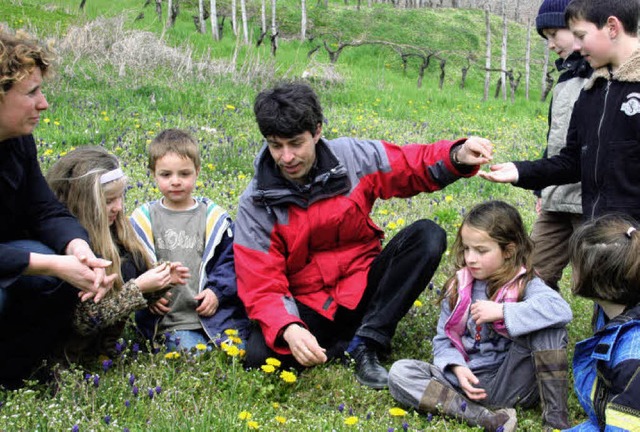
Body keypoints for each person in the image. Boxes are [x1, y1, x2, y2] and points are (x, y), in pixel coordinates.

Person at [233, 81, 494, 389]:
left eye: (295, 143)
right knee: (258, 357)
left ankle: (365, 344)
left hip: (362, 286)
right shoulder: (255, 201)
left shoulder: (351, 156)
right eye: (276, 146)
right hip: (308, 303)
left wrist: (456, 155)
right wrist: (289, 327)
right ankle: (341, 345)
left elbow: (409, 164)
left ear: (317, 132)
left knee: (428, 235)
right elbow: (260, 282)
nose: (287, 157)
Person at [387, 200, 573, 432]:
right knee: (400, 373)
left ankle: (556, 420)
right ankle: (485, 418)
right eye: (466, 248)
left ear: (509, 251)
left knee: (551, 327)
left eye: (481, 250)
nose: (470, 258)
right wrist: (456, 367)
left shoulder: (525, 283)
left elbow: (561, 310)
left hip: (511, 381)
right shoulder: (458, 287)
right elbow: (443, 339)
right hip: (464, 383)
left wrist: (504, 312)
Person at [0, 29, 115, 388]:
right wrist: (51, 263)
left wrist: (77, 250)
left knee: (59, 278)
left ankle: (13, 374)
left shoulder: (17, 141)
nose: (43, 103)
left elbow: (44, 209)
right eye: (31, 92)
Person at [479, 0, 640, 222]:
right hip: (598, 235)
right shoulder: (591, 91)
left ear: (612, 27)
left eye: (581, 36)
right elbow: (572, 162)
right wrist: (520, 171)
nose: (576, 46)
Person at [46, 146, 190, 361]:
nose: (119, 207)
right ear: (84, 202)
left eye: (120, 197)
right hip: (63, 354)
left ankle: (104, 350)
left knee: (127, 263)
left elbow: (136, 285)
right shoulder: (69, 246)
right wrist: (138, 288)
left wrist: (161, 281)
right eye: (108, 201)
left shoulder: (117, 232)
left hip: (101, 354)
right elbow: (84, 320)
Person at [130, 128, 249, 352]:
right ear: (153, 174)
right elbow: (135, 268)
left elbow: (231, 262)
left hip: (215, 315)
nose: (175, 182)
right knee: (194, 358)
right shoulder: (143, 221)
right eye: (166, 175)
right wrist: (148, 297)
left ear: (197, 172)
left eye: (184, 174)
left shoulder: (214, 218)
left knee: (240, 354)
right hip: (171, 319)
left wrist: (217, 291)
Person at [529, 0, 592, 290]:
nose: (551, 44)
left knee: (599, 280)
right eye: (547, 38)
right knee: (532, 274)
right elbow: (556, 140)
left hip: (589, 201)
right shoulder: (566, 77)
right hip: (556, 197)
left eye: (555, 33)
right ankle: (538, 332)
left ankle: (608, 336)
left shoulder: (603, 75)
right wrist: (543, 187)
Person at [566, 214, 640, 431]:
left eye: (575, 265)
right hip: (608, 418)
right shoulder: (611, 312)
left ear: (595, 277)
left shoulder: (632, 356)